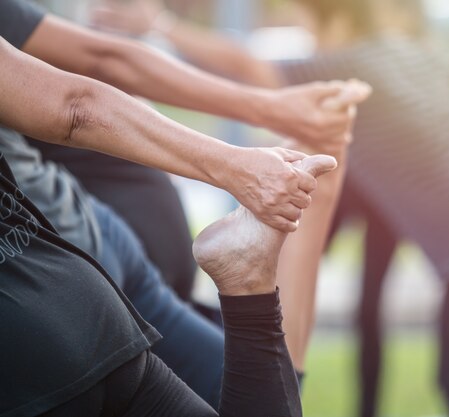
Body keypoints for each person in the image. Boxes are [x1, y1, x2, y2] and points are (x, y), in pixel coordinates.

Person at [92, 1, 449, 416]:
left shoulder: (343, 68)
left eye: (306, 22)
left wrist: (161, 22)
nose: (305, 38)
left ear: (335, 20)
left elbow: (244, 64)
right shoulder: (416, 51)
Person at [0, 30, 344, 415]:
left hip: (83, 270)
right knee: (268, 378)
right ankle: (252, 280)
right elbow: (79, 95)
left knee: (264, 374)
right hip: (76, 284)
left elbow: (84, 86)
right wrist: (243, 162)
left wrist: (250, 150)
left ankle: (257, 274)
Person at [1, 0, 365, 302]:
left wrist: (275, 115)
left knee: (268, 377)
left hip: (116, 243)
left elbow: (106, 64)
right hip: (79, 264)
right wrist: (234, 165)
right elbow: (79, 103)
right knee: (264, 373)